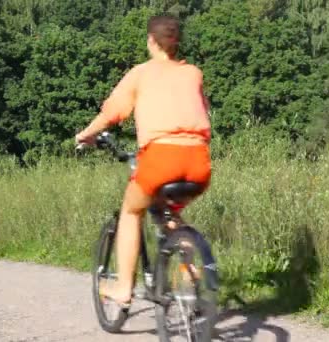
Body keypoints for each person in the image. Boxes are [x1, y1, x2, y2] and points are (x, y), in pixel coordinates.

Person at [75, 14, 212, 307]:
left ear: (151, 40)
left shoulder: (141, 73)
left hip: (161, 158)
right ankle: (191, 275)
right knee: (169, 214)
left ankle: (124, 288)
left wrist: (84, 135)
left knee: (131, 211)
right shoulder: (194, 73)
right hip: (199, 161)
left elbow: (111, 113)